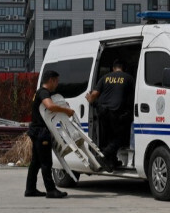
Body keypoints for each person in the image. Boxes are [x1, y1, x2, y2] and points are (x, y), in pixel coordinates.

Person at [25, 70, 75, 199]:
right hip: (41, 132)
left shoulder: (41, 92)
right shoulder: (43, 92)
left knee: (35, 162)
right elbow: (50, 106)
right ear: (51, 80)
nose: (57, 84)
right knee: (46, 162)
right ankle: (51, 190)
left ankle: (30, 189)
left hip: (36, 130)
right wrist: (67, 110)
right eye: (56, 81)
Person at [86, 59, 135, 172]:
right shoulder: (128, 78)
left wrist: (89, 99)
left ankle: (112, 161)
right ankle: (103, 155)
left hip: (102, 111)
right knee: (121, 138)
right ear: (123, 68)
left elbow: (94, 95)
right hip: (116, 111)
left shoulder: (105, 77)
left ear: (113, 68)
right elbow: (133, 96)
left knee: (108, 138)